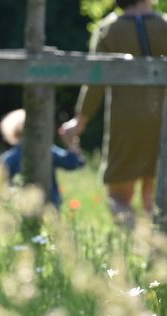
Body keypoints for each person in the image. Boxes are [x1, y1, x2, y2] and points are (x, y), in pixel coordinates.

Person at [59, 0, 167, 225]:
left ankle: (141, 242)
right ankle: (159, 248)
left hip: (125, 120)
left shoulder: (109, 29)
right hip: (163, 118)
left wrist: (80, 120)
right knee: (156, 197)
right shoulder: (164, 25)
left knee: (118, 197)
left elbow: (96, 80)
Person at [0, 109, 85, 208]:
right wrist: (70, 143)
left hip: (21, 207)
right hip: (50, 207)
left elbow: (2, 190)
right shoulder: (47, 151)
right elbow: (74, 163)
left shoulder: (7, 159)